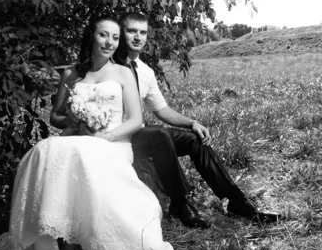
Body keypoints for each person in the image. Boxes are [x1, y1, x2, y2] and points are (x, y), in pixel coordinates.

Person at [0, 16, 175, 250]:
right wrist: (75, 119)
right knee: (43, 149)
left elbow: (136, 120)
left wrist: (105, 136)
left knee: (85, 152)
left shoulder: (123, 72)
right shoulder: (72, 73)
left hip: (113, 141)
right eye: (103, 35)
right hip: (77, 137)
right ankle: (51, 238)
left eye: (114, 37)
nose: (109, 42)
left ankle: (76, 242)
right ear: (91, 36)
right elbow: (55, 116)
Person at [114, 12, 280, 228]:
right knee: (160, 134)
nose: (137, 37)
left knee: (194, 139)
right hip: (119, 138)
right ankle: (180, 203)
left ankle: (237, 202)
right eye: (131, 31)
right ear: (121, 33)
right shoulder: (108, 68)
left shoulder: (145, 71)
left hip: (144, 137)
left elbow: (162, 110)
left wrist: (192, 123)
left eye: (142, 32)